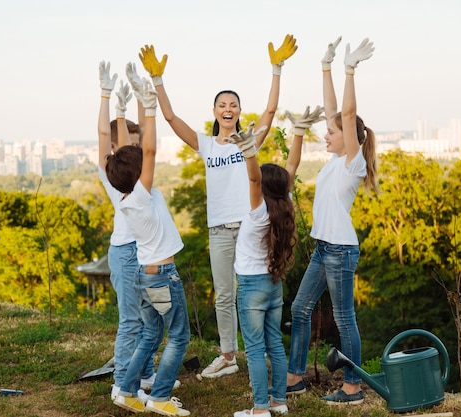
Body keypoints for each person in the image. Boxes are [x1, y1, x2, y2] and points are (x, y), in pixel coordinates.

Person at [137, 35, 297, 379]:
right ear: (214, 112)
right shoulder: (206, 145)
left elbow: (270, 111)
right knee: (224, 295)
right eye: (222, 105)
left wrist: (276, 69)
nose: (228, 109)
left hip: (250, 228)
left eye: (233, 105)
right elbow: (169, 117)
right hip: (219, 231)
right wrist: (158, 80)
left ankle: (262, 352)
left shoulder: (249, 139)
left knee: (252, 293)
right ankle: (228, 356)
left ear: (239, 111)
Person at [286, 37, 378, 405]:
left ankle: (353, 388)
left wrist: (349, 70)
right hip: (324, 249)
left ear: (350, 138)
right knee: (299, 308)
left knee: (344, 319)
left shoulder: (352, 164)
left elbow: (347, 111)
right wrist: (325, 66)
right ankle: (294, 377)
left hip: (340, 251)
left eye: (333, 131)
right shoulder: (334, 161)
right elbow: (333, 111)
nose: (326, 133)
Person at [226, 105, 325, 417]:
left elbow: (254, 180)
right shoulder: (285, 204)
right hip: (273, 285)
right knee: (274, 346)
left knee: (255, 348)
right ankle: (278, 402)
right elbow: (291, 167)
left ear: (262, 189)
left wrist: (249, 151)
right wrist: (298, 132)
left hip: (252, 288)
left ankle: (259, 409)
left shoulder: (257, 212)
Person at [106, 65, 191, 417]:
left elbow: (129, 154)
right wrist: (151, 108)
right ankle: (158, 397)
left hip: (145, 274)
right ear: (138, 174)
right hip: (162, 278)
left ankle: (126, 389)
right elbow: (150, 152)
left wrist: (130, 110)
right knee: (179, 337)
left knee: (149, 336)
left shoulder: (127, 196)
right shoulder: (142, 194)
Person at [97, 60, 155, 402]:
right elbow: (106, 137)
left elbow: (146, 137)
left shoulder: (142, 172)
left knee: (150, 319)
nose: (133, 148)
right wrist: (107, 98)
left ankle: (145, 374)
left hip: (147, 251)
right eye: (127, 144)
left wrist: (139, 95)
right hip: (124, 252)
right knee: (131, 321)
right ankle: (121, 382)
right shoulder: (113, 174)